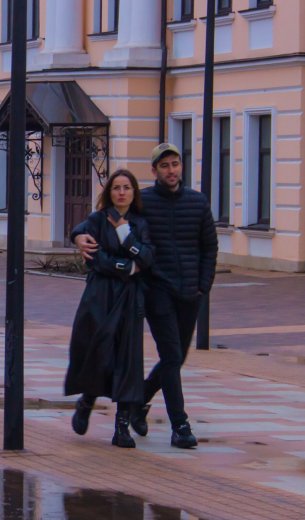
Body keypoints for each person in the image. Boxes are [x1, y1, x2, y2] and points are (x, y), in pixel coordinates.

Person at [73, 143, 218, 449]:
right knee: (172, 357)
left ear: (181, 166)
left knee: (175, 358)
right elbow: (101, 218)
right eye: (164, 166)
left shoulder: (198, 202)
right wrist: (78, 235)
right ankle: (180, 427)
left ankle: (139, 403)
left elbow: (209, 247)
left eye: (175, 164)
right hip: (156, 291)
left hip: (190, 293)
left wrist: (203, 286)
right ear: (154, 171)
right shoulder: (144, 202)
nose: (171, 170)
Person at [65, 169, 154, 449]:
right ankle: (86, 403)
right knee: (98, 352)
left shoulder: (140, 223)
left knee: (128, 359)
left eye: (127, 187)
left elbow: (147, 257)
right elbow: (95, 258)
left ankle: (122, 427)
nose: (122, 192)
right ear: (109, 192)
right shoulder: (97, 220)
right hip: (100, 295)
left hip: (130, 298)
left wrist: (126, 236)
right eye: (116, 187)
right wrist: (126, 266)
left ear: (134, 192)